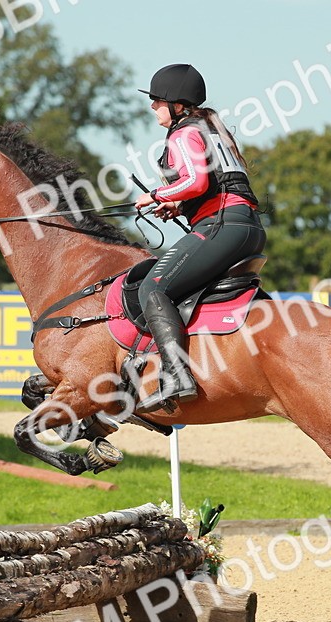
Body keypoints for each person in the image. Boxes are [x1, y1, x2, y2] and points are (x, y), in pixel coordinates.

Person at [133, 63, 267, 412]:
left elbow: (196, 182)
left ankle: (177, 376)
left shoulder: (182, 134)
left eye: (157, 100)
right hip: (244, 224)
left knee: (153, 287)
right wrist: (178, 207)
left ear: (178, 104)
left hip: (223, 225)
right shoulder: (211, 129)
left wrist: (158, 195)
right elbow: (209, 186)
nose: (152, 107)